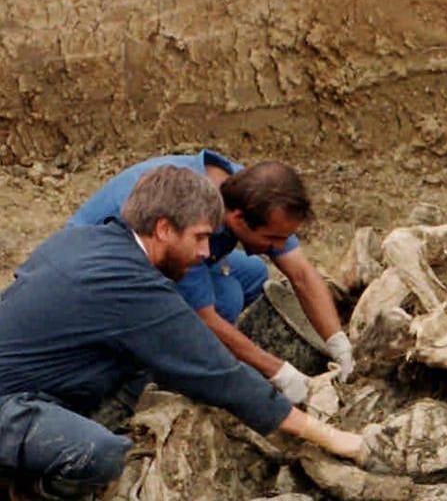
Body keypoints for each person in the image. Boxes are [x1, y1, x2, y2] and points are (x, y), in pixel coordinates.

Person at [0, 165, 368, 501]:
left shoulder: (89, 240)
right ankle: (36, 491)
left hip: (36, 375)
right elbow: (219, 373)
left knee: (146, 362)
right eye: (200, 237)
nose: (206, 252)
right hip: (8, 403)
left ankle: (47, 443)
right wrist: (332, 437)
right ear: (162, 229)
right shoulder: (132, 288)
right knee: (105, 454)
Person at [70, 149, 355, 404]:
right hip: (98, 281)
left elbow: (302, 274)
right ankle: (154, 381)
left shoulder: (243, 188)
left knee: (254, 273)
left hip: (165, 260)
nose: (278, 247)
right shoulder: (188, 220)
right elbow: (205, 318)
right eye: (272, 238)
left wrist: (338, 343)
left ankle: (223, 353)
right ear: (238, 219)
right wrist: (280, 373)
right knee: (226, 301)